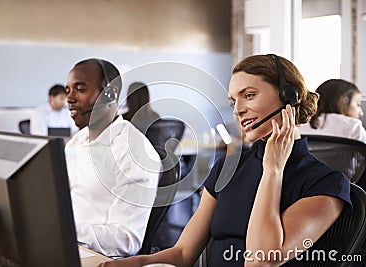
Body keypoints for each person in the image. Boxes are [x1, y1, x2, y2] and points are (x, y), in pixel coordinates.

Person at [97, 54, 352, 267]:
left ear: (289, 97)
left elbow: (261, 260)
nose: (238, 110)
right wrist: (130, 263)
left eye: (249, 95)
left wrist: (272, 171)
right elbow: (183, 254)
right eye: (233, 101)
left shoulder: (326, 184)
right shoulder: (227, 169)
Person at [64, 58, 161, 257]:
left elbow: (127, 239)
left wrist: (63, 229)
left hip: (99, 257)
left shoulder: (133, 152)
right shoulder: (75, 143)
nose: (69, 98)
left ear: (109, 94)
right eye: (68, 90)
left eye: (80, 89)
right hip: (68, 248)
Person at [300, 78, 366, 143]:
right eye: (358, 104)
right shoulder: (354, 126)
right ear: (343, 102)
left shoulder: (300, 125)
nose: (361, 113)